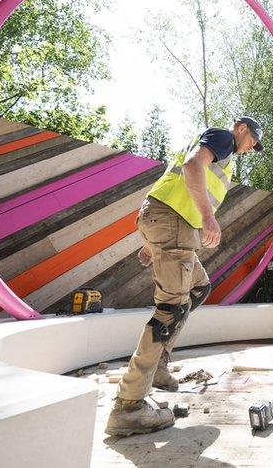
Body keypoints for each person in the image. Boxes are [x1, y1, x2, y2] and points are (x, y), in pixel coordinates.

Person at [106, 116, 264, 437]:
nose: (251, 147)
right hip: (171, 223)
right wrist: (208, 217)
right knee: (171, 309)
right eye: (252, 139)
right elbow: (192, 167)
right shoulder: (223, 138)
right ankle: (129, 404)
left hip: (167, 225)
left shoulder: (226, 156)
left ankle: (160, 363)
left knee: (199, 287)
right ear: (241, 128)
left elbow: (177, 188)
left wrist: (153, 244)